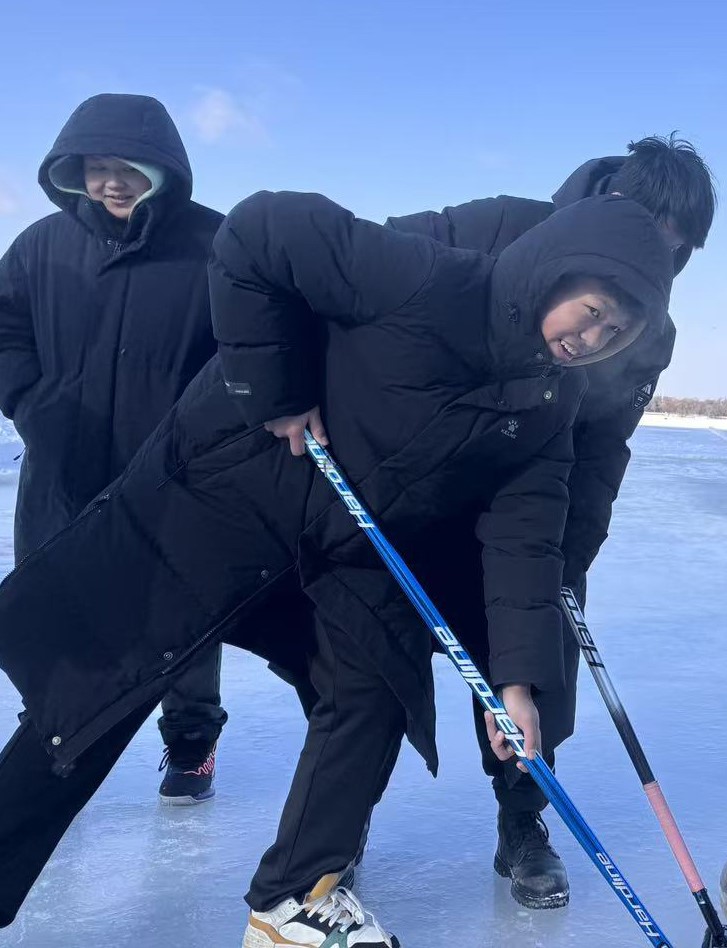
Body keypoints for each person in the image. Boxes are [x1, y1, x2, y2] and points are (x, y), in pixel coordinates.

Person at [0, 191, 674, 946]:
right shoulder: (429, 280)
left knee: (375, 686)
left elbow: (526, 543)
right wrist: (276, 392)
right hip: (228, 496)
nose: (593, 335)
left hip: (342, 538)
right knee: (97, 697)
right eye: (590, 309)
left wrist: (513, 685)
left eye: (615, 331)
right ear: (556, 273)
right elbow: (261, 231)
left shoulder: (552, 406)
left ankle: (292, 899)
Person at [379, 134, 715, 908]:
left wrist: (570, 558)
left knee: (539, 667)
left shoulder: (650, 332)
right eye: (644, 227)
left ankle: (523, 820)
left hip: (534, 512)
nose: (651, 256)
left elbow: (602, 455)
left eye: (673, 248)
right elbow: (372, 277)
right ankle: (343, 820)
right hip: (418, 494)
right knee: (368, 674)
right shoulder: (499, 226)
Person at [0, 93, 229, 804]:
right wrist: (31, 403)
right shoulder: (40, 246)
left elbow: (249, 347)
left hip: (175, 475)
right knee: (55, 612)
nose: (112, 183)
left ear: (163, 168)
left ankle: (190, 746)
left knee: (182, 618)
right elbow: (5, 331)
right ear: (74, 171)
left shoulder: (214, 244)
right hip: (62, 471)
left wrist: (204, 427)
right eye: (97, 168)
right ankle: (54, 729)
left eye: (129, 167)